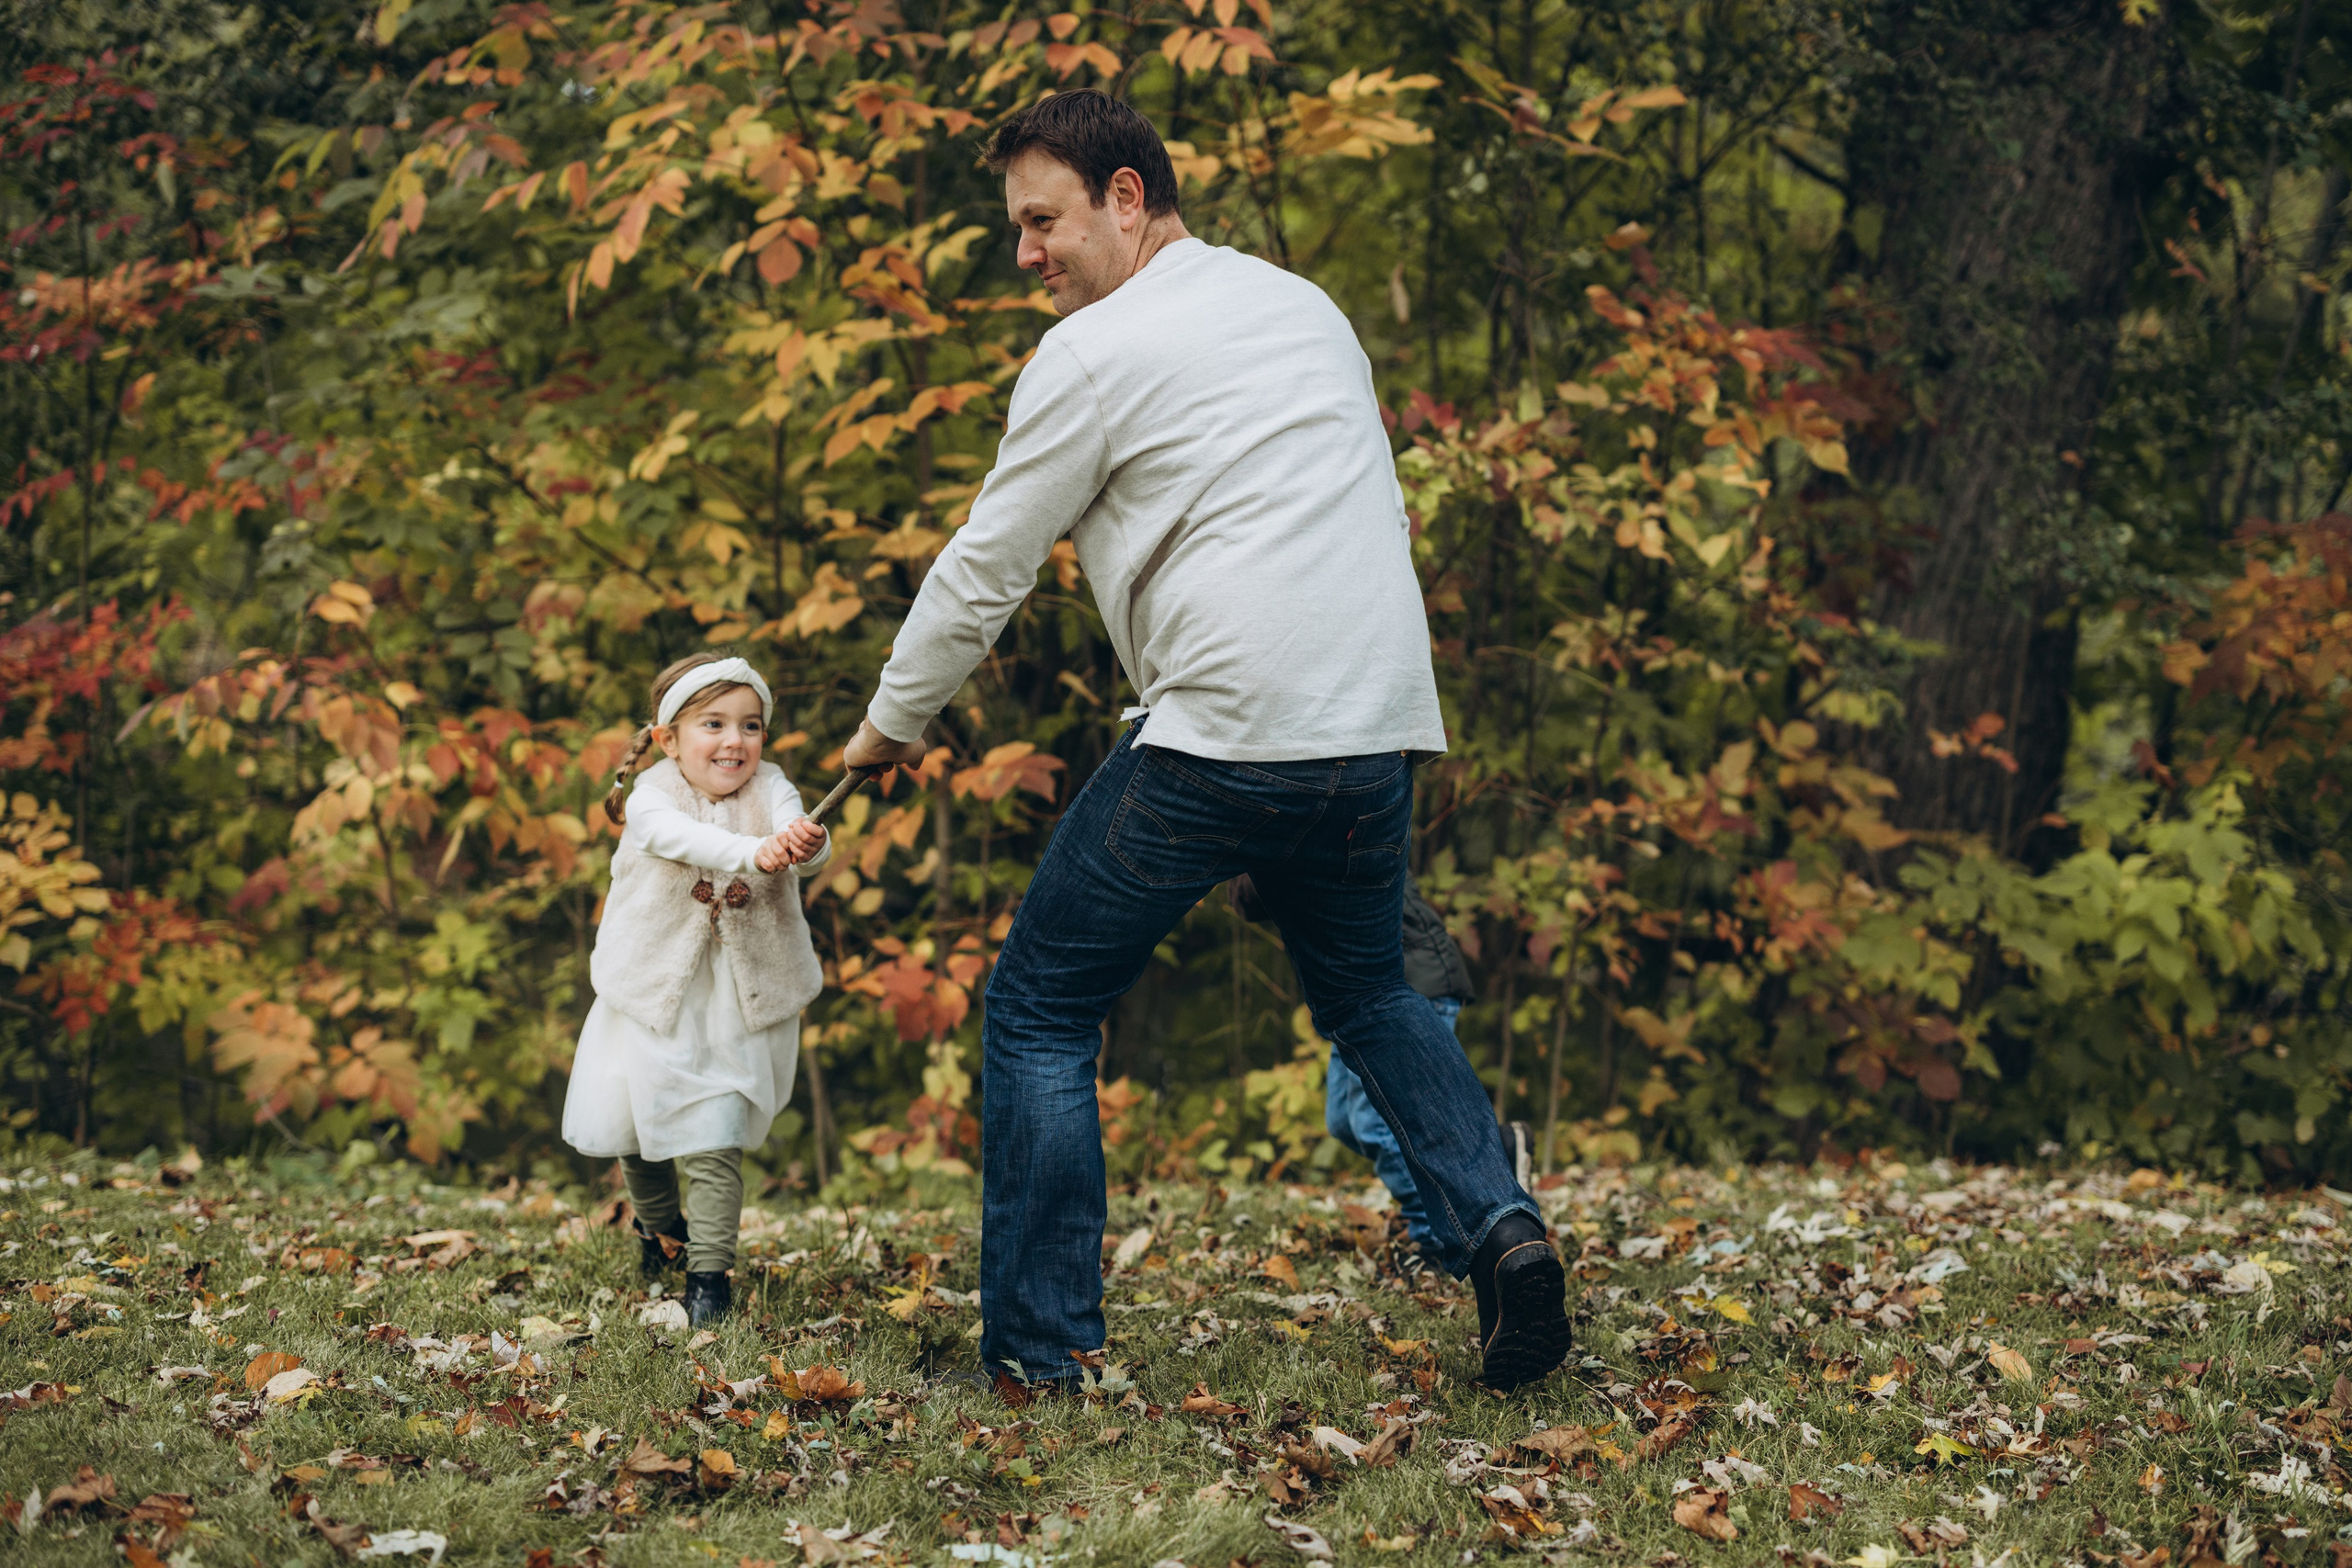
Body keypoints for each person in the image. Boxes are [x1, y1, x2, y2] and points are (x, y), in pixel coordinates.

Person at [842, 90, 1569, 1394]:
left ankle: (1038, 1352)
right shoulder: (1305, 307)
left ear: (1128, 197)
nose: (1027, 254)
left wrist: (890, 725)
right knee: (1372, 994)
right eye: (1016, 228)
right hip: (1375, 725)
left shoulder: (1092, 351)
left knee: (1043, 1005)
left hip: (1224, 726)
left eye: (1042, 220)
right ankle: (1504, 1230)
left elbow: (982, 568)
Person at [565, 653, 831, 1327]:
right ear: (668, 737)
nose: (734, 740)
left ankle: (709, 1280)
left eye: (750, 725)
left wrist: (807, 841)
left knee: (715, 1133)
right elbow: (664, 835)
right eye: (713, 723)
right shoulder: (655, 794)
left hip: (736, 1001)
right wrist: (750, 851)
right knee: (633, 1127)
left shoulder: (771, 787)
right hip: (654, 990)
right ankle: (660, 1228)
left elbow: (802, 835)